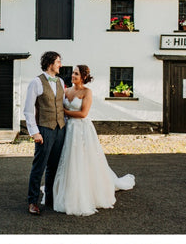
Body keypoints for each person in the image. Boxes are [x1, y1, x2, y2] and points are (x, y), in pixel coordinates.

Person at [52, 65, 135, 215]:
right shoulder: (66, 91)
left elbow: (83, 113)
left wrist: (63, 111)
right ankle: (68, 189)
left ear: (83, 77)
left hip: (81, 129)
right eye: (73, 73)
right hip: (68, 129)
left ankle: (87, 191)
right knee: (69, 159)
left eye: (76, 74)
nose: (73, 75)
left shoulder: (87, 92)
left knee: (83, 159)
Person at [23, 51, 66, 216]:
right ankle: (32, 201)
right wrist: (35, 132)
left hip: (60, 129)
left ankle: (50, 198)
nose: (60, 65)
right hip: (44, 129)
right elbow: (28, 110)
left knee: (54, 167)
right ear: (50, 64)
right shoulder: (36, 82)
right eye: (58, 62)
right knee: (39, 167)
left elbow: (62, 106)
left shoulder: (61, 81)